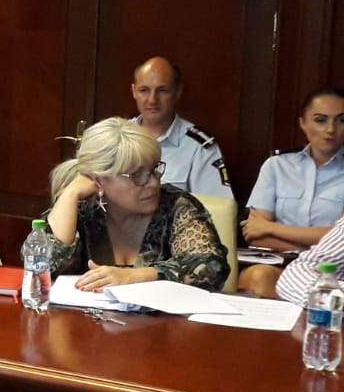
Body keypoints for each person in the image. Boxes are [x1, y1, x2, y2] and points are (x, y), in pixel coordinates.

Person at [45, 117, 228, 291]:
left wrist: (133, 276)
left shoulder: (178, 206)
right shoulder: (81, 208)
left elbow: (210, 268)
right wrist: (70, 193)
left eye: (154, 169)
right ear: (98, 180)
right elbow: (41, 267)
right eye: (137, 175)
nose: (153, 183)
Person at [237, 89, 344, 297]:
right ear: (303, 123)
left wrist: (271, 228)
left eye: (342, 120)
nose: (330, 129)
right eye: (320, 120)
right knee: (258, 277)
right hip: (276, 263)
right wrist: (314, 243)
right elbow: (255, 235)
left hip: (330, 272)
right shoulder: (276, 165)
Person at [129, 57, 234, 200]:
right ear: (134, 91)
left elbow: (219, 208)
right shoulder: (114, 138)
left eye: (162, 90)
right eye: (144, 90)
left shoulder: (199, 148)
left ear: (178, 92)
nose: (152, 100)